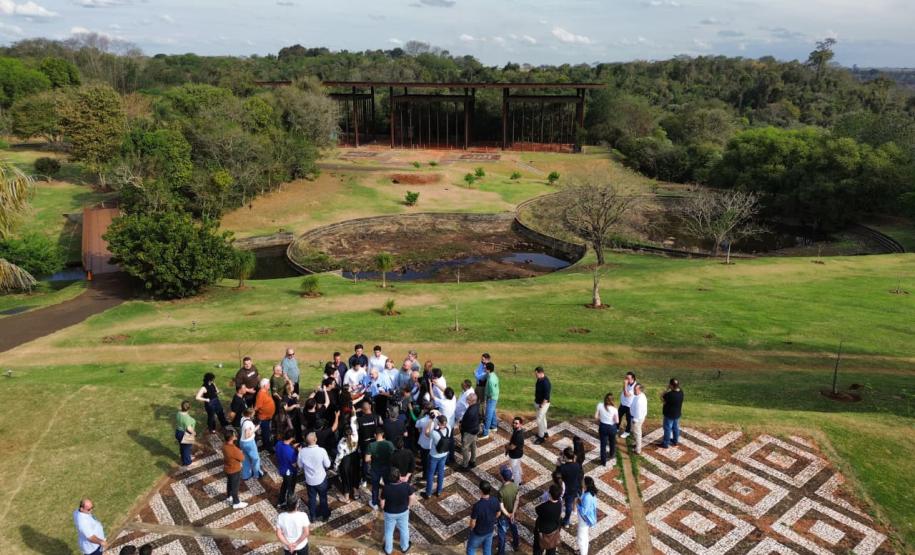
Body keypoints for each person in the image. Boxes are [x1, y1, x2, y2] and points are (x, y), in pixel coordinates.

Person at [297, 431, 331, 522]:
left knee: (312, 499)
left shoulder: (302, 452)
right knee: (323, 498)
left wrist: (300, 453)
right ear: (315, 439)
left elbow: (300, 466)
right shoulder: (322, 451)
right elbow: (328, 465)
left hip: (309, 481)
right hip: (321, 479)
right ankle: (325, 516)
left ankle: (313, 517)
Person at [381, 467, 415, 555]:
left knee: (389, 532)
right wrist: (408, 506)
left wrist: (384, 509)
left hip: (389, 513)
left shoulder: (386, 488)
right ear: (399, 476)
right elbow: (412, 497)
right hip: (403, 511)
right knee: (404, 529)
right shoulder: (406, 486)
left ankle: (388, 550)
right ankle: (405, 547)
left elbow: (382, 503)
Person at [466, 480, 500, 555]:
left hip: (478, 533)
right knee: (487, 550)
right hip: (490, 531)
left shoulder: (477, 506)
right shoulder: (495, 500)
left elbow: (473, 523)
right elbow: (498, 513)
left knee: (471, 549)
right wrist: (492, 520)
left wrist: (471, 528)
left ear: (480, 491)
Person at [422, 414, 449, 498]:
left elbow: (426, 433)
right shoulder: (449, 429)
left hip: (434, 455)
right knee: (441, 472)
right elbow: (444, 422)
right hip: (444, 454)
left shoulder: (434, 433)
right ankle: (439, 491)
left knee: (430, 474)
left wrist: (431, 421)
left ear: (439, 423)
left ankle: (428, 493)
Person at [367, 428, 394, 509]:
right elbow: (393, 455)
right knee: (388, 485)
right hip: (387, 467)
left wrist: (374, 458)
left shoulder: (371, 445)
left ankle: (374, 503)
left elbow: (367, 459)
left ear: (375, 435)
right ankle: (388, 500)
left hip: (375, 468)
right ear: (383, 434)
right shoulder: (389, 443)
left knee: (375, 487)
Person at [334, 421, 361, 502]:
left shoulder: (341, 442)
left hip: (346, 460)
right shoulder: (355, 436)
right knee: (355, 475)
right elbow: (354, 422)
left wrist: (336, 465)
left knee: (346, 477)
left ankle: (346, 497)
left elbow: (340, 456)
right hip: (355, 457)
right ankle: (356, 492)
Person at [496, 466, 520, 555]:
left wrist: (508, 514)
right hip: (512, 513)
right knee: (514, 528)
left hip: (504, 515)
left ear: (502, 477)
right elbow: (517, 499)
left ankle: (501, 552)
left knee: (502, 534)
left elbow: (501, 507)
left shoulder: (501, 491)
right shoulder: (515, 486)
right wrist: (512, 513)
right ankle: (516, 545)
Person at [533, 484, 562, 555]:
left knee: (538, 550)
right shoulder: (559, 503)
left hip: (542, 531)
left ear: (550, 494)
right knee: (551, 550)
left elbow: (537, 509)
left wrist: (544, 500)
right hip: (553, 531)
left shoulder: (545, 506)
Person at [558, 447, 583, 526]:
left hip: (564, 488)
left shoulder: (563, 468)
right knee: (569, 505)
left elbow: (558, 477)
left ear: (565, 456)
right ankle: (566, 521)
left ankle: (557, 517)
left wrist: (559, 464)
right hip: (573, 488)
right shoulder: (577, 465)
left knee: (560, 502)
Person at [222, 429, 247, 509]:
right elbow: (242, 458)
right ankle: (236, 503)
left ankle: (229, 496)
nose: (235, 435)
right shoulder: (233, 449)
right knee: (235, 487)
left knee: (229, 483)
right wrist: (240, 452)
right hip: (234, 470)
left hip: (227, 468)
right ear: (231, 438)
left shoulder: (224, 445)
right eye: (234, 435)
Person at [276, 430, 298, 509]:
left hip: (282, 469)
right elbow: (295, 464)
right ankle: (289, 505)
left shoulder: (278, 443)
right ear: (292, 438)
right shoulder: (290, 451)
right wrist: (299, 452)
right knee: (290, 489)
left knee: (284, 485)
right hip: (290, 472)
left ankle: (280, 501)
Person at [595, 392, 619, 466]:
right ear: (612, 400)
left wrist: (601, 418)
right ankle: (611, 454)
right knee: (612, 442)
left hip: (603, 427)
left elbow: (596, 417)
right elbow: (617, 421)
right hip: (612, 427)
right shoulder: (614, 409)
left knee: (603, 445)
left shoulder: (600, 405)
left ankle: (603, 462)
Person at [240, 407, 264, 480]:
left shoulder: (242, 419)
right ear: (250, 414)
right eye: (253, 414)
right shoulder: (248, 423)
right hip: (249, 443)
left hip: (242, 442)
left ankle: (246, 475)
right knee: (256, 459)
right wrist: (256, 428)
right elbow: (247, 435)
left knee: (246, 459)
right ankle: (257, 474)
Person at [577, 477, 598, 555]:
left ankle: (583, 553)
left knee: (580, 540)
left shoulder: (587, 496)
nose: (581, 482)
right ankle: (583, 551)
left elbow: (583, 512)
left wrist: (578, 503)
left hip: (584, 520)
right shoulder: (590, 493)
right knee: (584, 536)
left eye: (583, 481)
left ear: (586, 485)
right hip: (587, 520)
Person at [661, 378, 684, 448]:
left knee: (668, 429)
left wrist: (667, 389)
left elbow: (662, 397)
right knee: (676, 428)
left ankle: (665, 444)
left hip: (669, 415)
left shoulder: (669, 394)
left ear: (671, 385)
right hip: (677, 414)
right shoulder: (681, 392)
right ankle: (675, 441)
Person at [460, 393, 481, 469]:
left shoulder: (470, 412)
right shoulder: (477, 406)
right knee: (473, 446)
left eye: (468, 399)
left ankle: (465, 465)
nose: (466, 400)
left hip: (469, 432)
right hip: (475, 429)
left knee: (464, 448)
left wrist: (462, 426)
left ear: (472, 401)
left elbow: (466, 424)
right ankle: (473, 461)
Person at [255, 378, 276, 453]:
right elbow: (258, 406)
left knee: (266, 432)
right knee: (266, 432)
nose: (270, 385)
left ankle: (266, 444)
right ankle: (268, 447)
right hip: (264, 418)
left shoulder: (265, 391)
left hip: (267, 417)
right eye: (268, 384)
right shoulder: (261, 394)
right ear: (264, 385)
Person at [533, 366, 551, 445]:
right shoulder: (539, 379)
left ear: (541, 373)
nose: (535, 375)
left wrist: (541, 405)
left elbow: (546, 398)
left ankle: (541, 437)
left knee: (539, 420)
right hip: (538, 403)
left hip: (543, 404)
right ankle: (545, 432)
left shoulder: (546, 383)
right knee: (543, 418)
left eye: (536, 373)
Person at [481, 363, 500, 438]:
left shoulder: (491, 379)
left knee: (488, 415)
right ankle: (494, 426)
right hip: (494, 398)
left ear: (488, 369)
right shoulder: (493, 375)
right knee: (492, 411)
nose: (484, 369)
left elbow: (493, 391)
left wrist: (488, 397)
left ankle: (485, 433)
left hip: (491, 398)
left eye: (485, 368)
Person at [175, 400, 196, 466]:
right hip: (185, 434)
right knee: (186, 449)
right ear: (189, 408)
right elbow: (188, 428)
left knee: (182, 447)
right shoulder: (186, 418)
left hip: (178, 432)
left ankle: (184, 458)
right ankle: (187, 462)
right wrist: (194, 433)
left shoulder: (178, 413)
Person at [630, 382, 648, 454]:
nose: (634, 391)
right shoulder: (641, 395)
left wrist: (635, 420)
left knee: (637, 433)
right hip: (638, 417)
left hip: (637, 419)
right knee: (635, 432)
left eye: (635, 389)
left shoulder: (639, 401)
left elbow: (638, 412)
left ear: (639, 390)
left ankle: (638, 450)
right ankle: (636, 444)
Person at [506, 416, 524, 486]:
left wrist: (506, 446)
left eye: (516, 423)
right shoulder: (516, 430)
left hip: (515, 455)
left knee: (515, 470)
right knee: (518, 467)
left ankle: (516, 485)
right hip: (518, 454)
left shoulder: (519, 435)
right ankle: (519, 480)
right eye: (513, 422)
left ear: (520, 424)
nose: (514, 424)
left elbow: (512, 447)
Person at [618, 372, 636, 438]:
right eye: (626, 378)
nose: (626, 380)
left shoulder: (635, 386)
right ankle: (617, 428)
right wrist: (625, 385)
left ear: (633, 379)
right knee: (619, 416)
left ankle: (627, 432)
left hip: (629, 406)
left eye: (628, 378)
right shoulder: (628, 383)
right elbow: (624, 390)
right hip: (623, 403)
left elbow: (626, 394)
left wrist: (625, 384)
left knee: (628, 420)